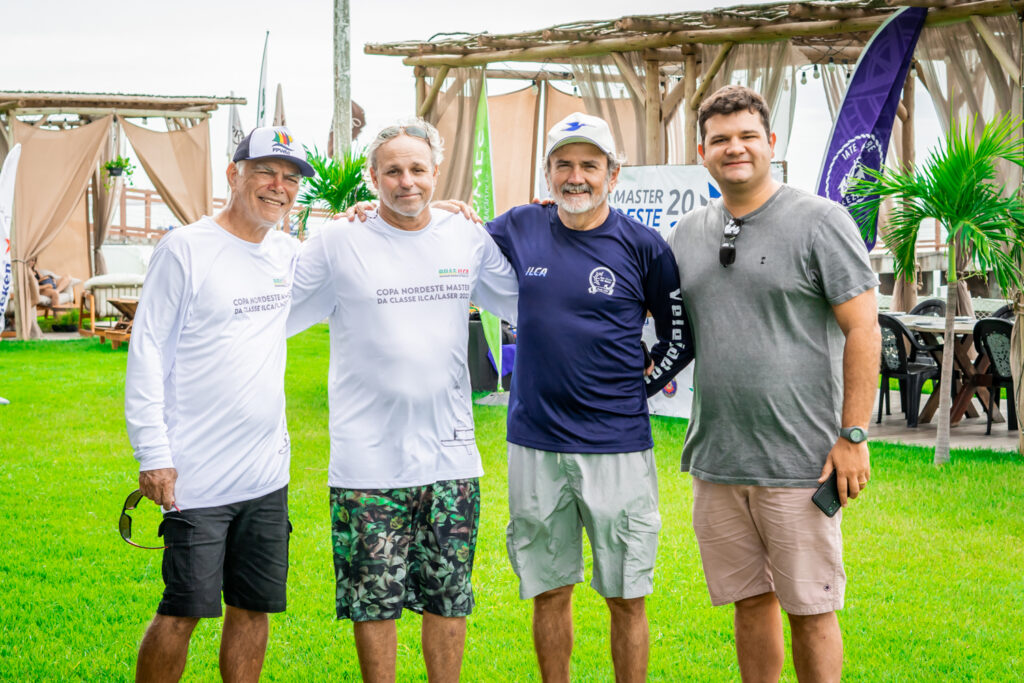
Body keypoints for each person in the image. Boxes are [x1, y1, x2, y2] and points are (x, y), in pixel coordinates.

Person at [286, 119, 518, 683]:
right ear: (372, 178)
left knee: (449, 597)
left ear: (437, 173)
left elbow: (526, 296)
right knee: (374, 601)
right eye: (392, 170)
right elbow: (271, 306)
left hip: (451, 457)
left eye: (418, 169)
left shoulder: (466, 236)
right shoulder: (339, 241)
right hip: (368, 463)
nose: (406, 182)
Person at [667, 85, 881, 683]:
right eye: (720, 140)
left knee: (811, 607)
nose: (734, 148)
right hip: (718, 457)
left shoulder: (820, 222)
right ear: (702, 151)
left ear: (771, 144)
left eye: (746, 136)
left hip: (802, 459)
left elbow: (864, 329)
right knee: (748, 602)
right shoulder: (686, 233)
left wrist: (854, 435)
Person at [485, 112, 693, 683]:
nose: (577, 177)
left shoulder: (644, 246)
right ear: (547, 173)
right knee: (548, 591)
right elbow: (445, 241)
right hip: (535, 443)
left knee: (627, 595)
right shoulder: (520, 226)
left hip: (617, 446)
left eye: (590, 166)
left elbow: (680, 336)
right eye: (564, 165)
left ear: (613, 174)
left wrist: (638, 389)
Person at [125, 125, 315, 683]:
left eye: (289, 178)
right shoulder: (186, 248)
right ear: (234, 175)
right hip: (195, 479)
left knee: (253, 609)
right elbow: (147, 352)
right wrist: (153, 452)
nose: (278, 186)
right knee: (182, 610)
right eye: (265, 172)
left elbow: (351, 262)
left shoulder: (287, 252)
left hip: (265, 477)